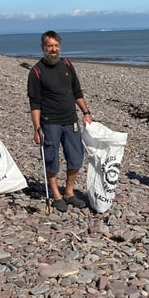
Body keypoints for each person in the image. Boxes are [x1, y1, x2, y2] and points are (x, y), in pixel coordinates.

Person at [27, 30, 92, 213]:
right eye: (50, 46)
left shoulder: (67, 65)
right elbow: (35, 103)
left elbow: (77, 92)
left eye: (56, 46)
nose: (54, 49)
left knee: (76, 158)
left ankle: (69, 192)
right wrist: (36, 128)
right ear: (43, 48)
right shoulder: (36, 71)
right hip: (50, 122)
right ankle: (56, 194)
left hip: (70, 120)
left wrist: (86, 112)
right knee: (52, 159)